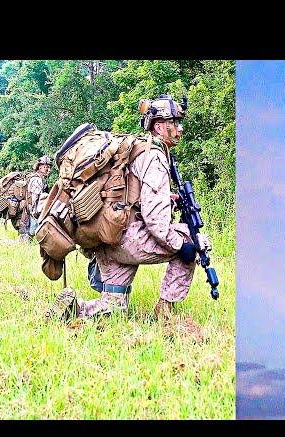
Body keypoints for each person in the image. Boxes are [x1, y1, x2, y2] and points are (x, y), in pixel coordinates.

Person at [51, 94, 211, 341]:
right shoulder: (155, 157)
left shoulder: (134, 148)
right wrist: (185, 246)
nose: (179, 129)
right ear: (159, 126)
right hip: (128, 238)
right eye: (175, 123)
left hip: (108, 237)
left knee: (114, 307)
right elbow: (156, 223)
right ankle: (164, 312)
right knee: (192, 239)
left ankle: (74, 309)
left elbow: (132, 193)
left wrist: (167, 198)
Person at [18, 155, 52, 242]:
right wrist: (33, 212)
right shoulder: (37, 180)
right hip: (33, 210)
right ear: (40, 168)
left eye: (49, 167)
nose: (49, 170)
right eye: (46, 167)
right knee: (31, 231)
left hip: (35, 210)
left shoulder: (41, 179)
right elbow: (34, 198)